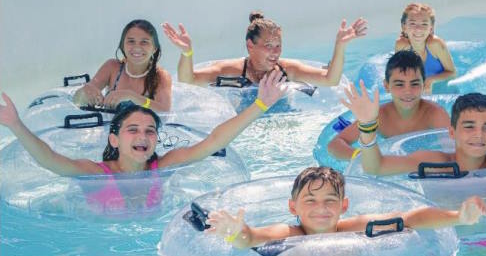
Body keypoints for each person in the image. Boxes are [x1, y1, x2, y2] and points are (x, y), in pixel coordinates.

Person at [0, 72, 286, 179]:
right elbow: (49, 159)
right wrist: (15, 124)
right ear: (114, 140)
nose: (143, 136)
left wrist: (260, 105)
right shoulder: (93, 173)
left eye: (150, 130)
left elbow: (213, 141)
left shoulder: (161, 168)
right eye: (133, 130)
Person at [341, 70, 486, 175]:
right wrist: (367, 126)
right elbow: (375, 167)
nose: (479, 134)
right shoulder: (433, 163)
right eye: (469, 126)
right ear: (451, 132)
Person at [206, 166, 486, 247]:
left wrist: (458, 217)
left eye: (330, 200)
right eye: (310, 201)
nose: (321, 208)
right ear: (293, 207)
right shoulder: (291, 234)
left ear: (344, 206)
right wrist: (235, 232)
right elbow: (252, 238)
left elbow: (410, 218)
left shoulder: (352, 228)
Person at [170, 11, 367, 87]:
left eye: (278, 46)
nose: (275, 52)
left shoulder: (287, 69)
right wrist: (187, 52)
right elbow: (188, 80)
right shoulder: (231, 70)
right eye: (268, 46)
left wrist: (340, 46)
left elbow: (330, 80)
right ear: (250, 46)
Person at [326, 51, 450, 162]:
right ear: (386, 86)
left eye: (415, 84)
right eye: (399, 84)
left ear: (424, 85)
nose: (408, 91)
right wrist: (361, 156)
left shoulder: (434, 114)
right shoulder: (380, 115)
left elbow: (454, 152)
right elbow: (335, 144)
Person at [73, 19, 181, 112]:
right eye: (131, 41)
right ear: (123, 46)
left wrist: (131, 96)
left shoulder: (160, 75)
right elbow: (78, 99)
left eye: (144, 42)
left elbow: (164, 110)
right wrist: (85, 92)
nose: (137, 47)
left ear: (154, 49)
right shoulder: (112, 67)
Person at [394, 3, 456, 93]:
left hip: (446, 92)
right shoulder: (401, 46)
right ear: (404, 27)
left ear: (431, 28)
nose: (418, 29)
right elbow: (399, 73)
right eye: (412, 23)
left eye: (424, 24)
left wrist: (430, 80)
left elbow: (452, 73)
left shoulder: (435, 44)